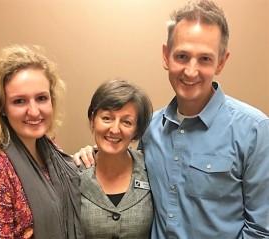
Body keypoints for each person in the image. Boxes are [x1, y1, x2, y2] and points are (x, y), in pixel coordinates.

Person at [73, 0, 269, 238]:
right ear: (166, 56)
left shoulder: (254, 131)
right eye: (182, 56)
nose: (190, 71)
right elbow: (126, 165)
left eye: (205, 59)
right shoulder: (150, 128)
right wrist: (93, 154)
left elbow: (261, 230)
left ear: (221, 61)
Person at [0, 44, 84, 239]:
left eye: (41, 98)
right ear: (1, 106)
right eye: (19, 101)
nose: (34, 111)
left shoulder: (49, 147)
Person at [77, 79, 154, 238]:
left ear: (136, 130)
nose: (115, 129)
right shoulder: (72, 173)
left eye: (127, 122)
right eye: (107, 118)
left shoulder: (151, 169)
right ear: (93, 121)